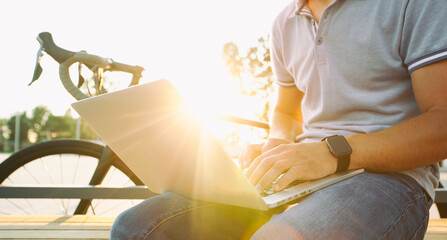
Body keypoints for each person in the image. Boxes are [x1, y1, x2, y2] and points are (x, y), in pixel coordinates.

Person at [110, 0, 447, 239]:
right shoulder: (284, 22)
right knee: (138, 226)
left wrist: (331, 153)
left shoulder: (416, 4)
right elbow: (286, 110)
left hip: (391, 179)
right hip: (305, 173)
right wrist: (280, 141)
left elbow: (442, 124)